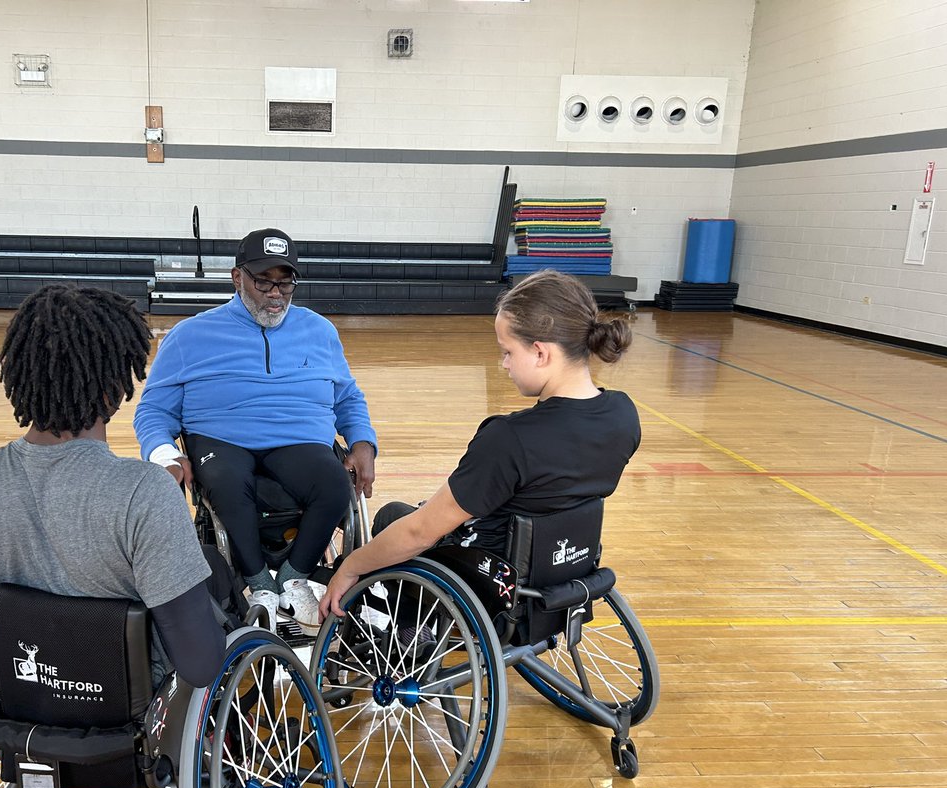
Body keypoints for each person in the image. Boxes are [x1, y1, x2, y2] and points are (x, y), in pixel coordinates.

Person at [0, 284, 226, 689]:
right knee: (217, 573)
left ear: (18, 375)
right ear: (112, 390)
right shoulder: (144, 492)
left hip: (32, 694)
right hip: (133, 705)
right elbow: (200, 666)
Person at [320, 268, 640, 620]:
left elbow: (419, 533)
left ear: (540, 353)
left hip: (495, 588)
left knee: (393, 517)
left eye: (507, 351)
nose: (503, 364)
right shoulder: (623, 414)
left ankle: (414, 634)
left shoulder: (511, 438)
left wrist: (350, 566)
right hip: (566, 568)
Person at [134, 227, 378, 634]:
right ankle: (258, 586)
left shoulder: (319, 331)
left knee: (336, 485)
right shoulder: (189, 336)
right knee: (227, 483)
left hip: (297, 438)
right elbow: (154, 411)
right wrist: (164, 455)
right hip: (221, 437)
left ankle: (293, 580)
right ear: (236, 277)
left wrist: (362, 440)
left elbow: (347, 397)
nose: (275, 293)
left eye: (285, 283)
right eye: (263, 281)